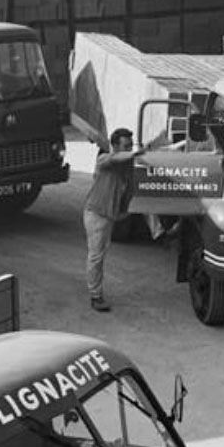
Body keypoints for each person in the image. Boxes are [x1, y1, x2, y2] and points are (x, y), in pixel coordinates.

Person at [84, 127, 143, 312]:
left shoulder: (127, 165)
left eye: (130, 145)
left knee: (99, 255)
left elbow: (129, 190)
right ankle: (95, 296)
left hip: (107, 214)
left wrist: (123, 212)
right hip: (96, 213)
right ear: (114, 147)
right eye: (125, 146)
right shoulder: (104, 159)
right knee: (96, 256)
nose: (128, 149)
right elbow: (116, 159)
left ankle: (95, 291)